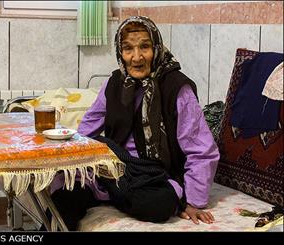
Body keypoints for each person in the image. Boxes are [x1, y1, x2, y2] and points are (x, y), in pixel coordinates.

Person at [43, 16, 219, 231]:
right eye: (128, 49)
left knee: (159, 205)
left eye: (145, 46)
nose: (137, 57)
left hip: (155, 175)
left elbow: (201, 150)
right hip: (113, 168)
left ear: (157, 47)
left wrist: (194, 201)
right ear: (120, 52)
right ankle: (112, 189)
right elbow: (86, 133)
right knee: (65, 195)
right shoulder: (115, 83)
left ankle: (115, 191)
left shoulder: (176, 88)